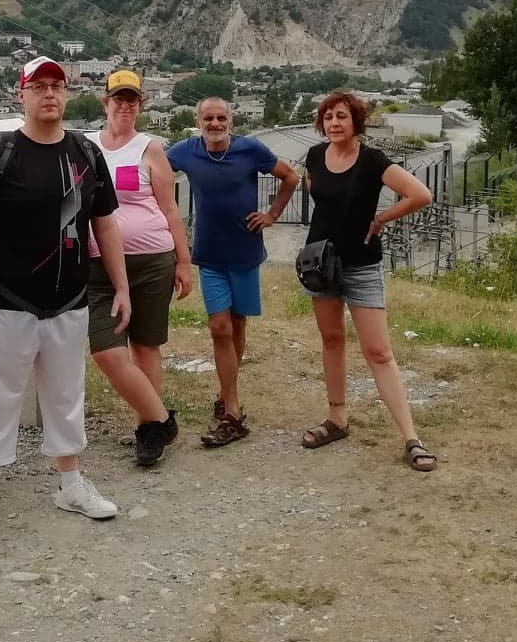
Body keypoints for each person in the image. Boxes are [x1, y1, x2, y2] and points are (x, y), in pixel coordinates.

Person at [0, 56, 128, 550]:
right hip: (6, 301)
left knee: (67, 396)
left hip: (69, 301)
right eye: (39, 86)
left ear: (67, 93)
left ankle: (71, 483)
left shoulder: (86, 154)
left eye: (57, 85)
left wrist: (122, 287)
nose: (49, 94)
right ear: (22, 94)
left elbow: (105, 225)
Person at [299, 91, 438, 472]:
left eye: (341, 116)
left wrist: (379, 220)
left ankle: (411, 438)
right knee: (331, 339)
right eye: (328, 117)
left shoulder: (372, 160)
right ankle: (337, 419)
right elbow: (316, 191)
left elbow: (420, 194)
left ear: (356, 122)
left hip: (361, 265)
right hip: (321, 264)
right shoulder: (314, 156)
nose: (334, 123)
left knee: (378, 352)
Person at [166, 96, 298, 447]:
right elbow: (153, 172)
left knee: (237, 324)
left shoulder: (250, 149)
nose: (214, 124)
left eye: (221, 118)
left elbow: (290, 176)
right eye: (208, 118)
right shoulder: (185, 151)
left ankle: (227, 394)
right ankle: (232, 413)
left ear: (231, 122)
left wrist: (271, 215)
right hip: (209, 255)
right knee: (219, 327)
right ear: (198, 121)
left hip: (244, 253)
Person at [85, 68, 187, 467]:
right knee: (107, 350)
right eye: (118, 99)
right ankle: (162, 419)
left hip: (151, 261)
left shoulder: (150, 149)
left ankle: (147, 430)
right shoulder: (87, 147)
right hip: (100, 264)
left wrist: (184, 260)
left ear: (141, 105)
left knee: (145, 347)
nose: (125, 106)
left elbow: (170, 208)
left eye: (132, 99)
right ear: (105, 103)